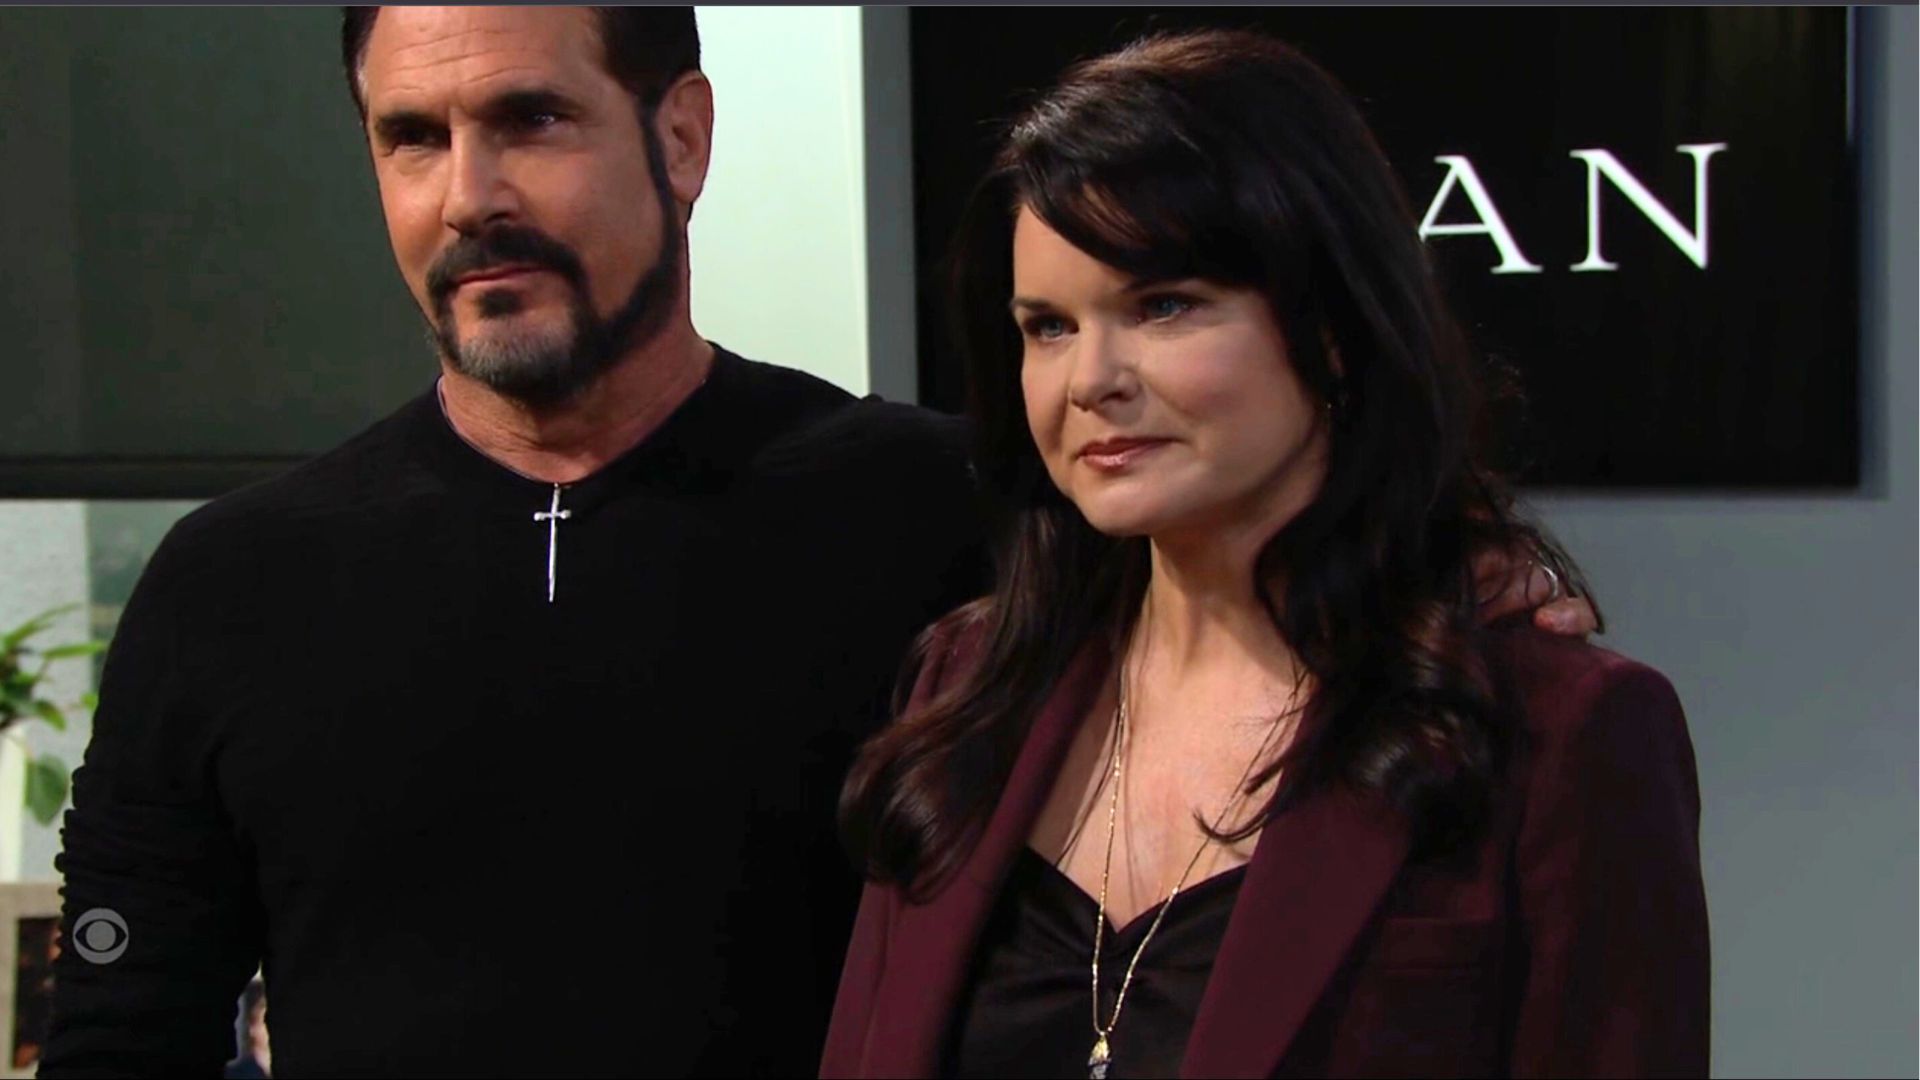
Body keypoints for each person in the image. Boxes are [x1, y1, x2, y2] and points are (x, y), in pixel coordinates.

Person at [41, 9, 1594, 1077]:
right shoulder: (231, 584)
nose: (470, 196)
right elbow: (126, 1035)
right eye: (411, 138)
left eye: (530, 121)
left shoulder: (952, 516)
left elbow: (1263, 598)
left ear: (682, 137)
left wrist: (1446, 580)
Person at [824, 28, 1707, 1080]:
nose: (1091, 380)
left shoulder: (1560, 733)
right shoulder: (965, 685)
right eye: (1049, 327)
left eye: (1163, 306)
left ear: (1332, 325)